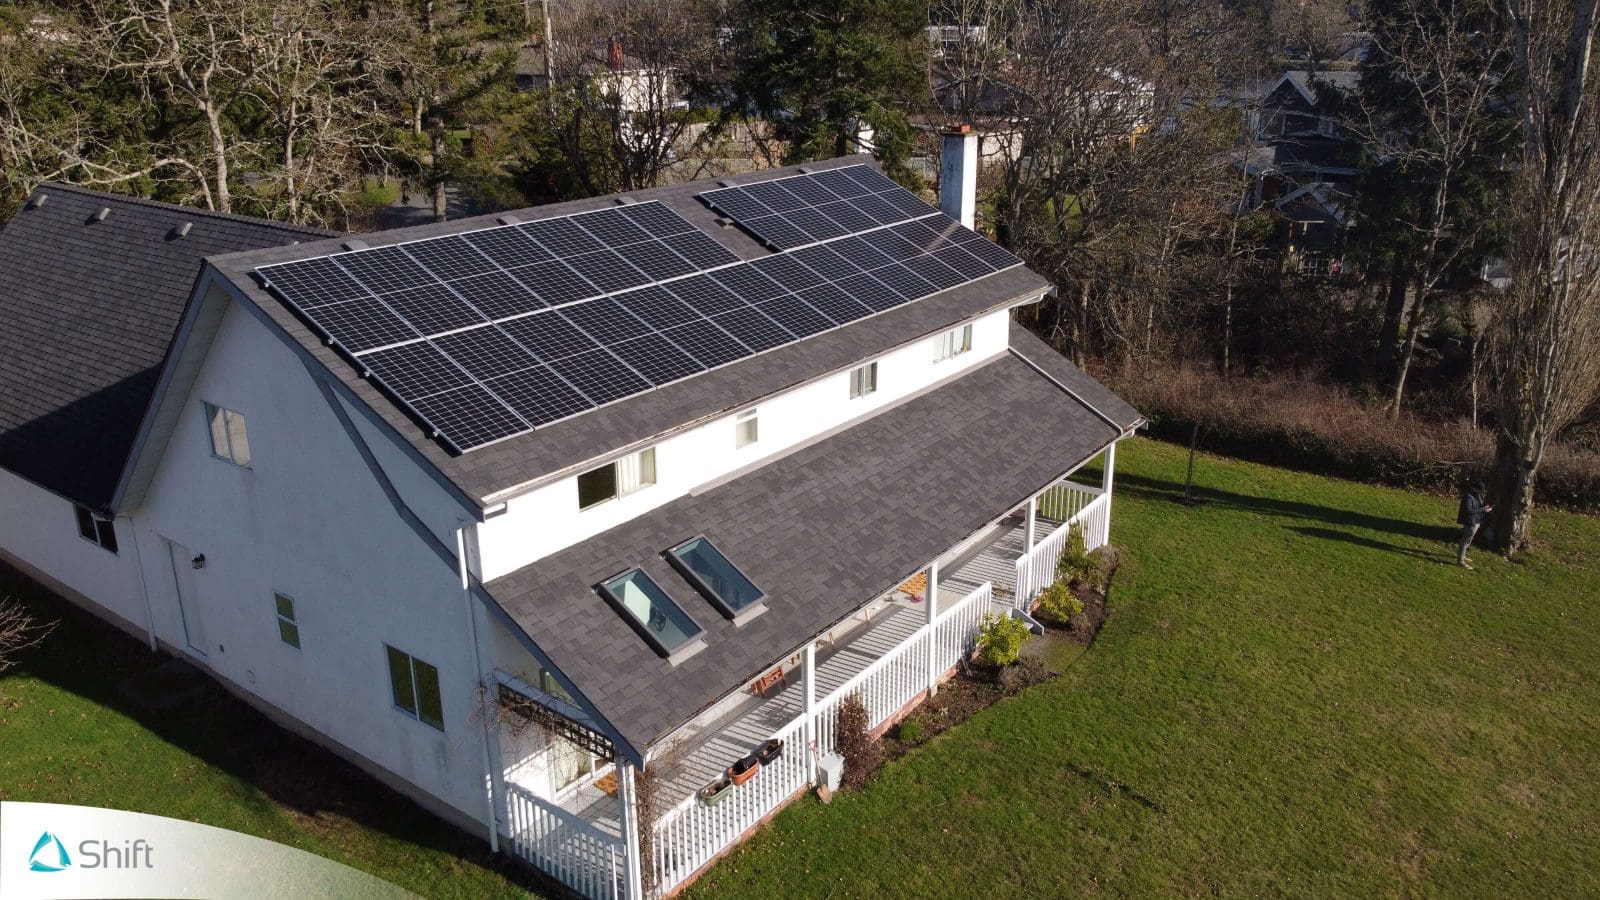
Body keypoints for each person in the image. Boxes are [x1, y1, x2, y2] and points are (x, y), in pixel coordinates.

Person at [1456, 480, 1492, 569]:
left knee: (1468, 540)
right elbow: (1468, 511)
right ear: (1476, 489)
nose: (1481, 493)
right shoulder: (1468, 496)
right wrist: (1483, 510)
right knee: (1465, 541)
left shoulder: (1475, 494)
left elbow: (1477, 507)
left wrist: (1484, 508)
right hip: (1470, 522)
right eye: (1480, 491)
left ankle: (1462, 555)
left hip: (1476, 521)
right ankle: (1460, 561)